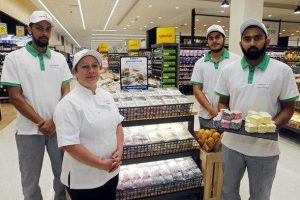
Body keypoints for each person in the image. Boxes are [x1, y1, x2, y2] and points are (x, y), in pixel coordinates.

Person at [215, 19, 299, 200]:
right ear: (241, 43)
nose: (252, 43)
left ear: (267, 40)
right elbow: (222, 102)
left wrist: (268, 127)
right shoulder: (228, 71)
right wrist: (227, 118)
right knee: (228, 193)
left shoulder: (283, 71)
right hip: (231, 145)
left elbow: (288, 108)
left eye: (257, 38)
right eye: (247, 39)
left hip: (265, 149)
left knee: (260, 196)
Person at [0, 11, 73, 200]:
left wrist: (55, 121)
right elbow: (15, 97)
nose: (44, 33)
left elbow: (66, 92)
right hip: (28, 132)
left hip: (58, 130)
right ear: (29, 29)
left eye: (48, 29)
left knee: (62, 176)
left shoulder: (59, 59)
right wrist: (42, 122)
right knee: (30, 181)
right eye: (39, 28)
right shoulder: (14, 58)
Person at [53, 49, 124, 200]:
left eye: (94, 66)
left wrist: (120, 149)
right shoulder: (68, 104)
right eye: (85, 67)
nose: (91, 71)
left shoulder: (106, 95)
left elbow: (118, 124)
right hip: (84, 179)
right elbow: (70, 145)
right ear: (75, 72)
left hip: (111, 172)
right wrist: (100, 163)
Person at [191, 24, 239, 128]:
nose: (214, 41)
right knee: (208, 142)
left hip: (229, 116)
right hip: (206, 116)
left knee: (227, 143)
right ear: (207, 41)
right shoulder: (200, 63)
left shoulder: (236, 61)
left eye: (218, 37)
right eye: (211, 38)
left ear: (224, 39)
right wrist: (211, 110)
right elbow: (197, 90)